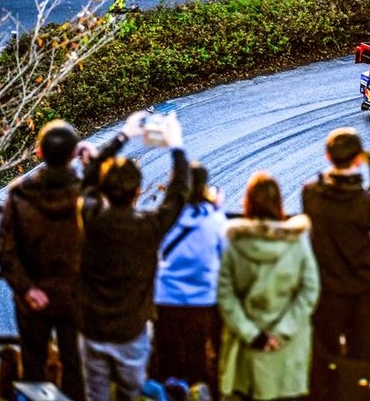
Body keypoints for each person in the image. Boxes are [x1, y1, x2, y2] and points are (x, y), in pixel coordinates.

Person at [78, 110, 191, 401]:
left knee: (96, 394)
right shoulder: (148, 227)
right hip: (131, 329)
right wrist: (176, 146)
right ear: (138, 191)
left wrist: (123, 135)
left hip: (93, 326)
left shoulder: (90, 217)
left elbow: (87, 179)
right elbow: (178, 195)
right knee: (131, 391)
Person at [0, 120, 91, 401]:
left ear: (39, 152)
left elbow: (6, 251)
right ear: (74, 154)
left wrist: (27, 289)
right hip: (74, 296)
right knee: (75, 367)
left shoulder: (19, 195)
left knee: (34, 366)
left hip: (33, 299)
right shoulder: (85, 195)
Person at [302, 127, 370, 401]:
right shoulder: (366, 204)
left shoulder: (311, 195)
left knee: (323, 352)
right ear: (358, 160)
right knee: (360, 354)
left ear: (328, 156)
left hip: (325, 285)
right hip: (361, 288)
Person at [219, 172, 319, 401]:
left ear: (248, 203)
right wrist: (283, 330)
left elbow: (226, 294)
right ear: (279, 204)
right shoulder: (298, 243)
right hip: (285, 351)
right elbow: (309, 292)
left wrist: (251, 333)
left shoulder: (235, 244)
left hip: (246, 347)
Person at [152, 163, 228, 397]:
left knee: (168, 357)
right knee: (199, 357)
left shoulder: (164, 217)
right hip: (202, 300)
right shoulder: (215, 220)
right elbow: (224, 254)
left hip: (166, 298)